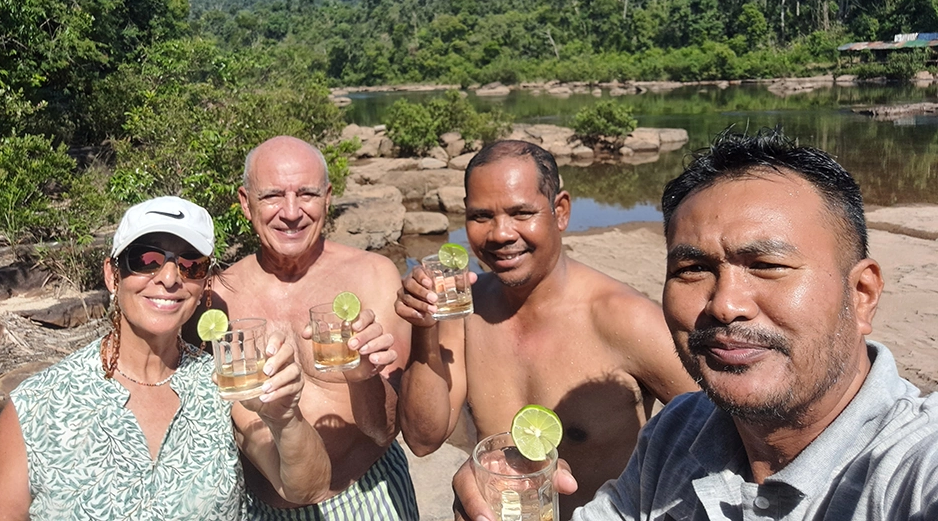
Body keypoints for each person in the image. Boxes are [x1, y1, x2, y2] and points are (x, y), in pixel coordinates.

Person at [455, 128, 938, 521]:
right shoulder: (675, 439)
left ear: (862, 295)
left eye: (767, 264)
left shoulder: (909, 469)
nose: (726, 304)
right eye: (692, 270)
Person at [0, 195, 330, 521]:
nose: (170, 277)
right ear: (113, 276)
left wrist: (285, 418)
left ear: (205, 285)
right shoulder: (38, 406)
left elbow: (305, 488)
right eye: (146, 259)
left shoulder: (223, 384)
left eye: (191, 264)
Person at [396, 140, 697, 519]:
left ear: (560, 211)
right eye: (481, 216)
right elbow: (423, 439)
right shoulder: (464, 311)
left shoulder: (625, 319)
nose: (500, 233)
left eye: (521, 213)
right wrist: (425, 328)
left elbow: (732, 430)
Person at [199, 135, 416, 520]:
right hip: (260, 507)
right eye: (272, 196)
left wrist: (363, 376)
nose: (291, 212)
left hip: (366, 494)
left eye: (307, 194)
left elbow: (386, 429)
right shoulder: (215, 297)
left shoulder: (373, 275)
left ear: (328, 197)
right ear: (245, 203)